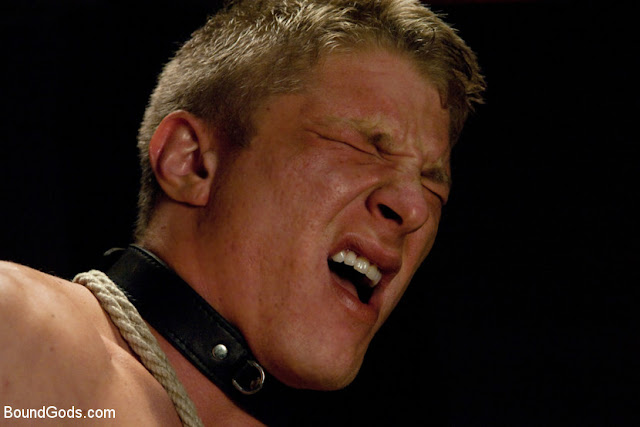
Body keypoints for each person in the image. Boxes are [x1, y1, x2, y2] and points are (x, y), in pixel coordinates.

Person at [0, 0, 484, 425]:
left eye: (432, 184)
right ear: (192, 163)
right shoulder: (15, 325)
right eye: (364, 147)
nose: (415, 208)